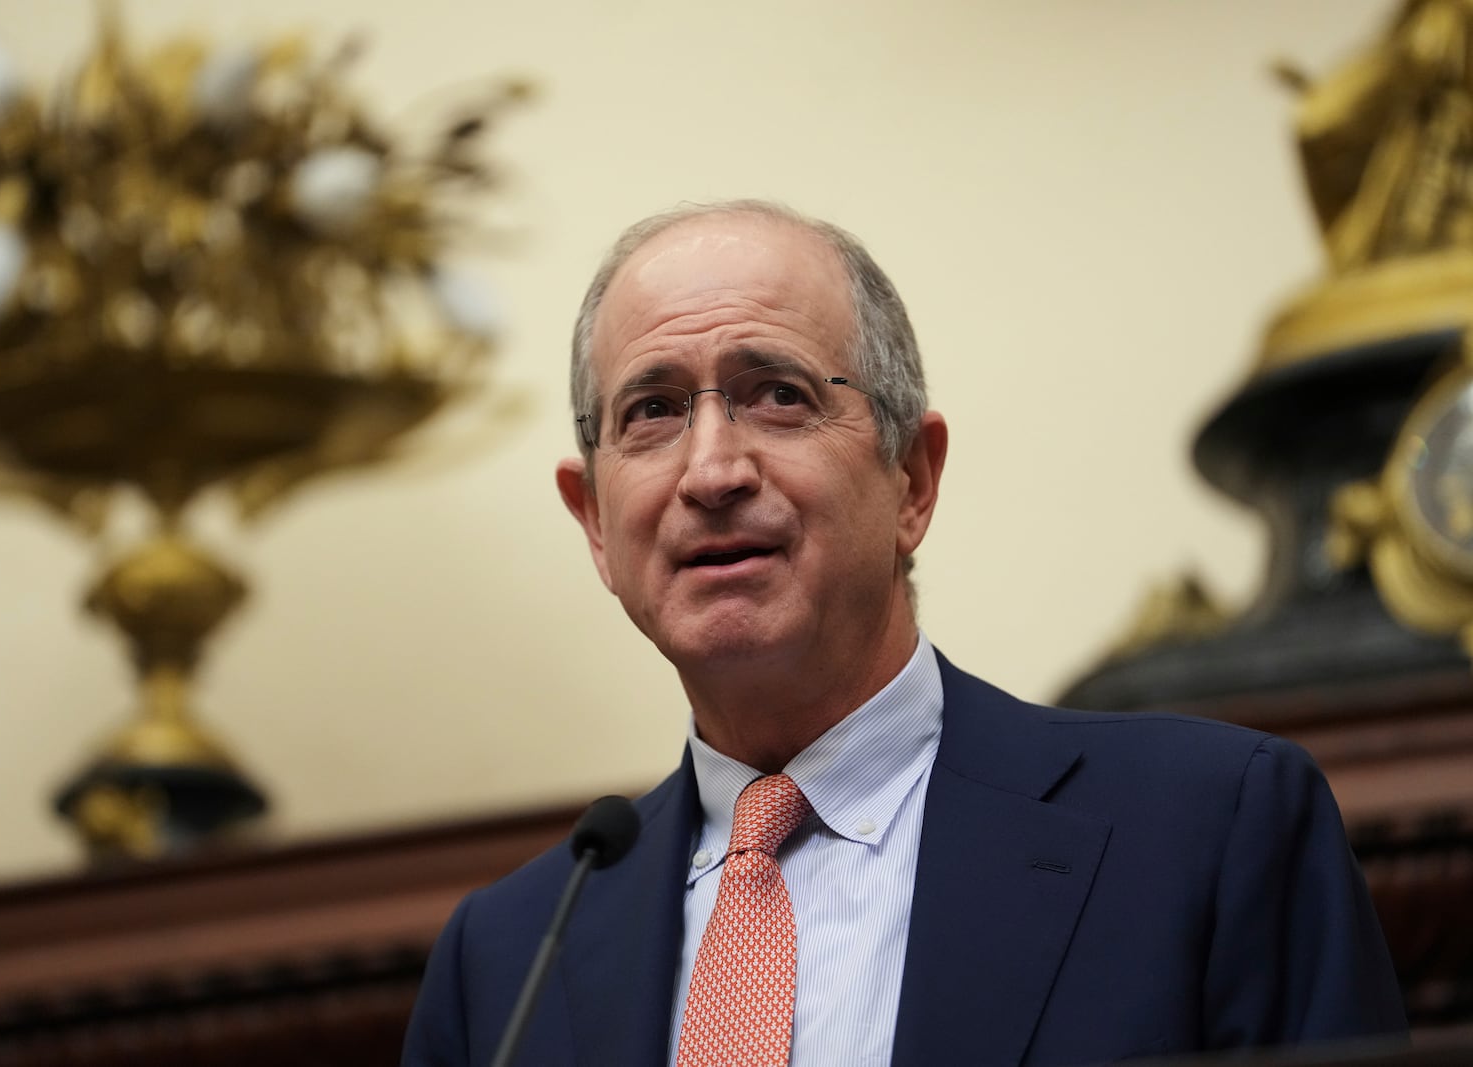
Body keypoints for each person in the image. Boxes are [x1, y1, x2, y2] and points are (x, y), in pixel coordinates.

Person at [402, 201, 1407, 1066]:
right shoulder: (505, 958)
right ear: (593, 522)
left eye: (778, 395)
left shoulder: (1209, 830)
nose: (711, 471)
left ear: (912, 482)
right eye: (653, 411)